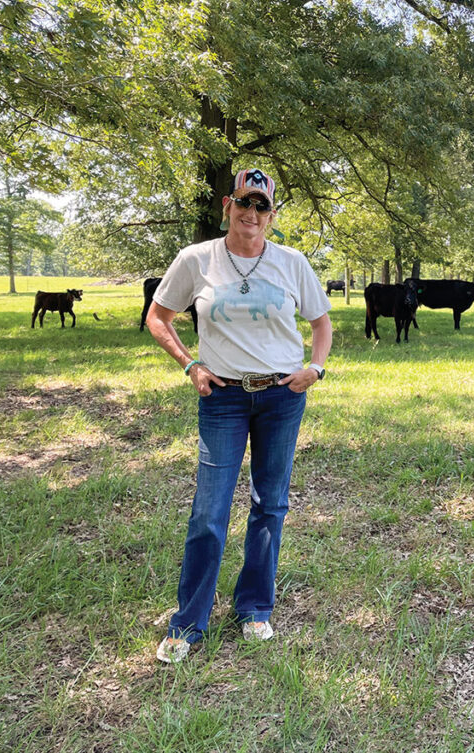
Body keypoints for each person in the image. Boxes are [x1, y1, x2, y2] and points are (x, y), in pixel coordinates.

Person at [146, 167, 332, 663]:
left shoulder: (293, 263)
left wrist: (314, 367)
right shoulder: (196, 259)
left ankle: (253, 609)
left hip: (281, 397)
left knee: (270, 503)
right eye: (244, 204)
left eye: (262, 207)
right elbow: (157, 318)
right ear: (228, 205)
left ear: (271, 215)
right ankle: (187, 624)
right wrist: (190, 364)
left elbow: (321, 323)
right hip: (223, 398)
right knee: (209, 511)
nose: (251, 214)